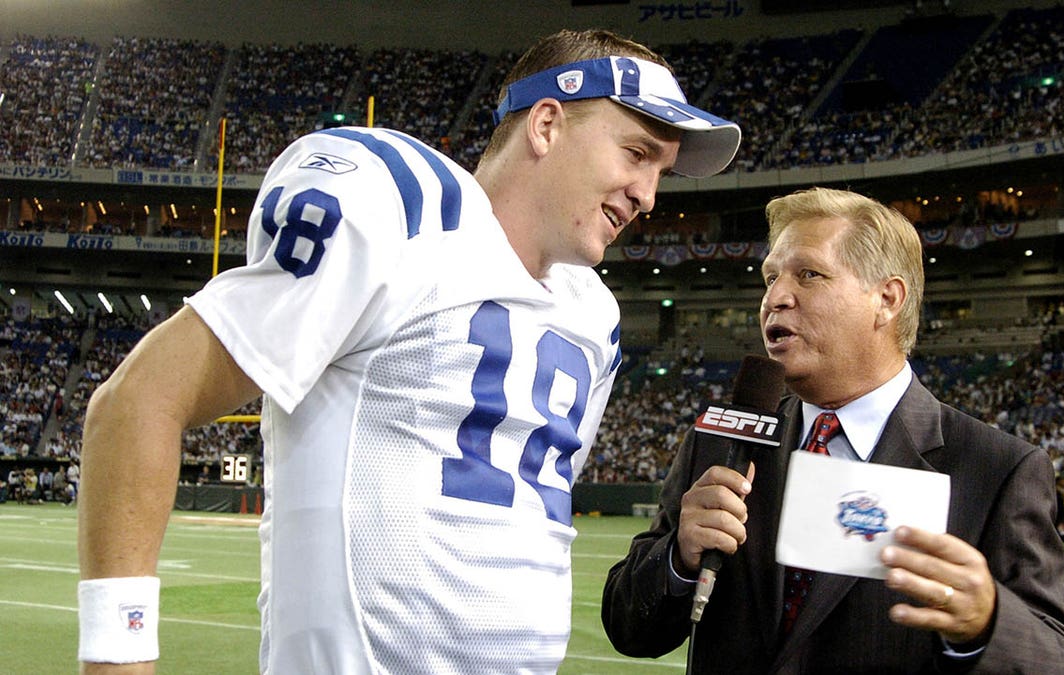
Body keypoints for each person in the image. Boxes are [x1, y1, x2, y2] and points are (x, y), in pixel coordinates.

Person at [76, 29, 740, 674]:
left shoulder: (595, 316)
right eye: (636, 153)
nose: (649, 194)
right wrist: (117, 650)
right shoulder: (404, 207)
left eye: (661, 169)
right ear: (546, 124)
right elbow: (138, 402)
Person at [602, 187, 1064, 673]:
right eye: (770, 277)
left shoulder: (996, 468)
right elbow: (629, 628)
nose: (775, 298)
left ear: (886, 299)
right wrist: (679, 560)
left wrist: (987, 624)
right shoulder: (721, 442)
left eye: (808, 274)